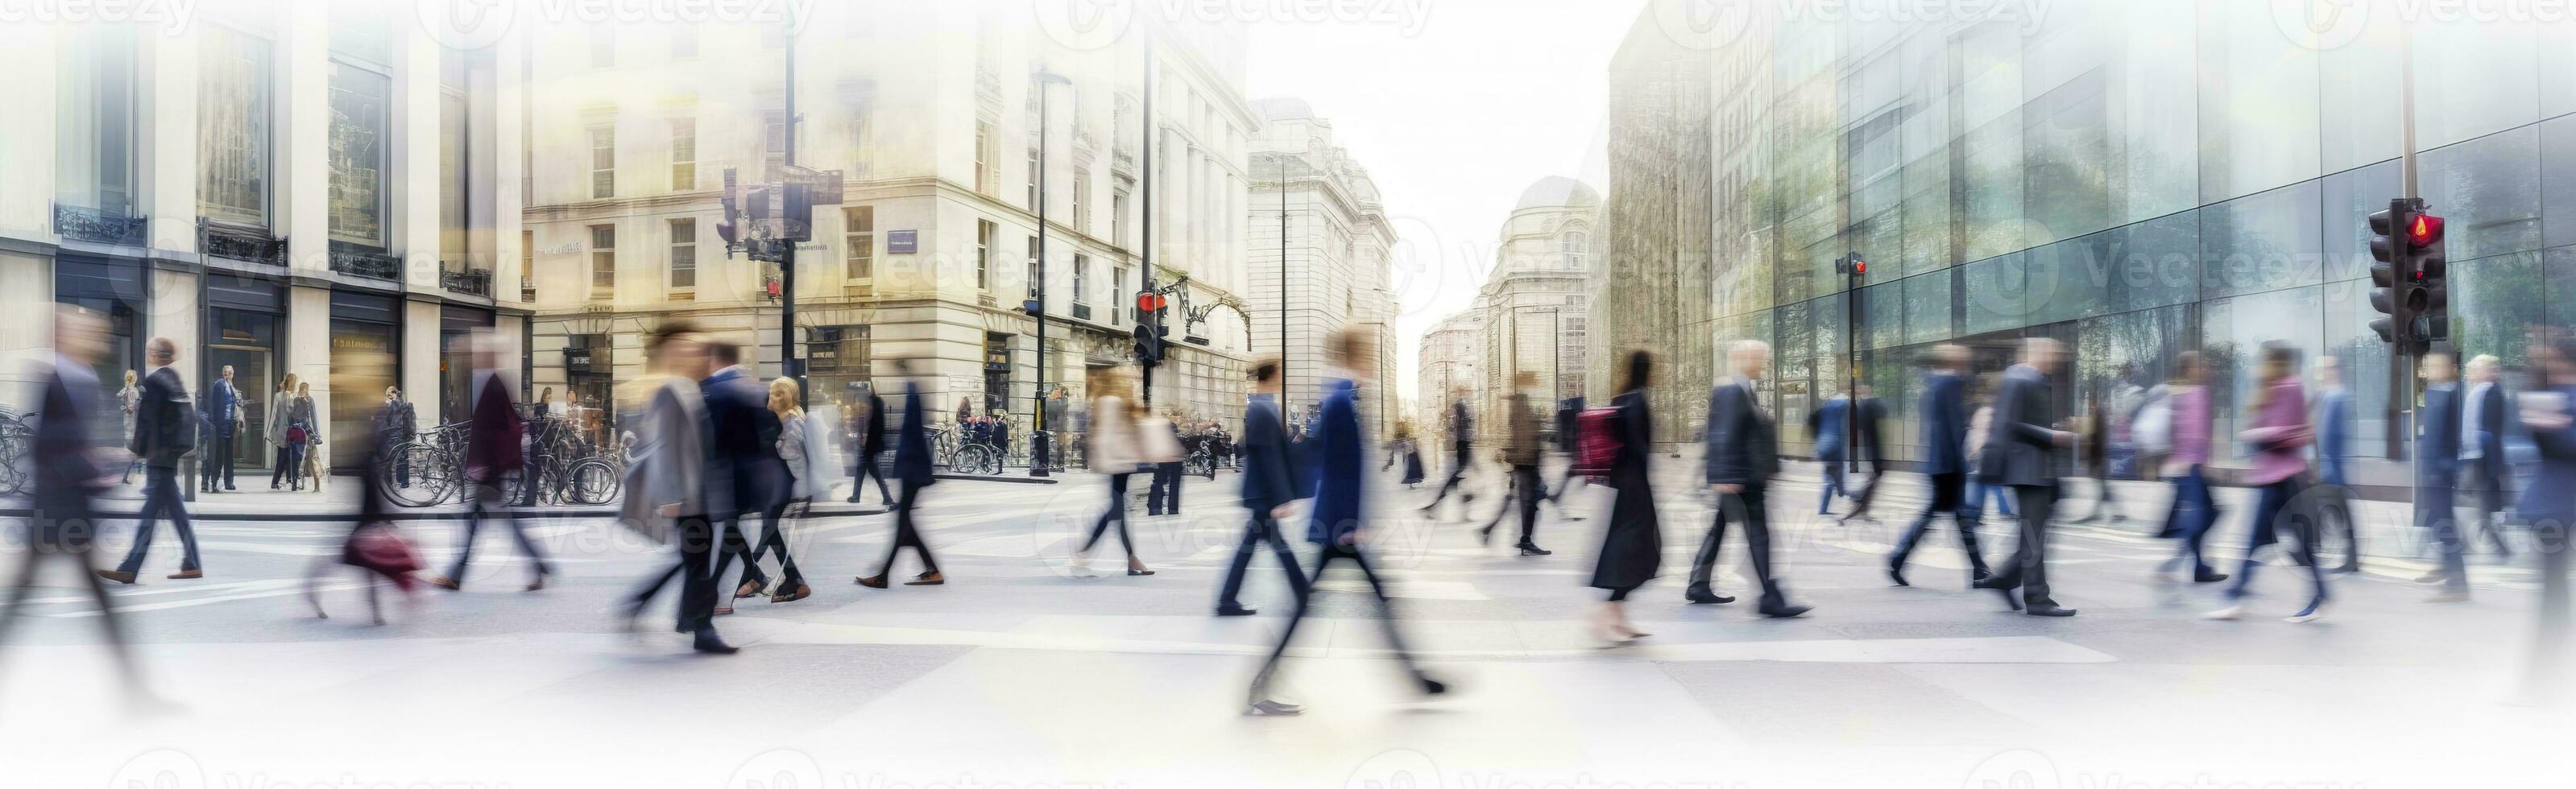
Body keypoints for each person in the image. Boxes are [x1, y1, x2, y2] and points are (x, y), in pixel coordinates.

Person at [1248, 328, 1445, 715]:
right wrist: (1351, 520)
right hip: (1338, 525)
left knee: (1343, 601)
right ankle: (1415, 680)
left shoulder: (1344, 397)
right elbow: (1336, 468)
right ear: (1354, 355)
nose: (1372, 360)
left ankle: (1416, 680)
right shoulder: (1340, 401)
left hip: (1337, 523)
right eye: (1367, 352)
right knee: (1348, 602)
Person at [0, 308, 152, 704]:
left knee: (69, 602)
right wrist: (96, 463)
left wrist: (95, 459)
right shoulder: (55, 378)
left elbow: (68, 445)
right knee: (28, 600)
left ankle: (135, 691)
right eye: (86, 331)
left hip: (70, 512)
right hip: (55, 513)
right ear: (63, 336)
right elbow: (47, 449)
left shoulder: (82, 378)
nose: (98, 338)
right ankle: (136, 692)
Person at [626, 320, 738, 654]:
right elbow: (665, 447)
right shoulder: (668, 391)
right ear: (671, 352)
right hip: (685, 497)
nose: (695, 353)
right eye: (687, 347)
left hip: (698, 492)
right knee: (697, 563)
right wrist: (671, 495)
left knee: (693, 562)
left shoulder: (688, 386)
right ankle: (702, 628)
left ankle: (647, 605)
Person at [424, 333, 553, 593]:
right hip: (492, 468)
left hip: (490, 470)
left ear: (490, 356)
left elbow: (493, 429)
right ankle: (537, 565)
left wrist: (484, 464)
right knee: (491, 521)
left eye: (480, 354)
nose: (475, 357)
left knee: (479, 521)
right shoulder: (490, 382)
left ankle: (457, 575)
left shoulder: (493, 383)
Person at [1688, 341, 1809, 618]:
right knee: (1759, 535)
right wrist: (1726, 475)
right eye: (1759, 358)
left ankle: (1698, 584)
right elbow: (1723, 434)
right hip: (1740, 478)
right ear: (1743, 359)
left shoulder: (1741, 388)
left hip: (1742, 476)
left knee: (1719, 529)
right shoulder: (1732, 389)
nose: (1763, 364)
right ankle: (1770, 596)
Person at [2209, 345, 2327, 624]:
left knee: (2299, 545)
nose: (2258, 368)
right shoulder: (2269, 389)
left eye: (2264, 362)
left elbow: (2286, 433)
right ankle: (2237, 596)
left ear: (2277, 363)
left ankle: (2317, 595)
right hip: (2269, 479)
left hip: (2287, 479)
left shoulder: (2291, 386)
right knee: (2257, 542)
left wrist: (2253, 433)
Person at [1972, 338, 2079, 617]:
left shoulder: (2029, 378)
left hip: (2037, 467)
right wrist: (2052, 435)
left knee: (2034, 534)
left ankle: (2007, 579)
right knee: (2034, 536)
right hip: (2028, 469)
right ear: (2036, 353)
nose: (2056, 356)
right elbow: (2009, 422)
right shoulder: (2020, 377)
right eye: (2051, 352)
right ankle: (2037, 598)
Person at [101, 337, 202, 584]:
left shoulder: (155, 381)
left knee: (149, 515)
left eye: (150, 350)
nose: (148, 353)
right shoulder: (174, 379)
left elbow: (147, 420)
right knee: (175, 513)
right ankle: (192, 562)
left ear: (159, 354)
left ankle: (130, 568)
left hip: (159, 456)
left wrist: (135, 450)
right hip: (169, 456)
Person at [1888, 345, 1990, 588]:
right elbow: (1955, 427)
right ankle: (1978, 569)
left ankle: (1978, 569)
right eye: (1964, 359)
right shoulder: (1952, 383)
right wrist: (1963, 461)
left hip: (1937, 461)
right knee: (1954, 515)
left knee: (1954, 515)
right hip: (1949, 463)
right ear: (1953, 361)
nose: (1967, 362)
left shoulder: (1930, 383)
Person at [1216, 358, 1309, 617]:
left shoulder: (1262, 409)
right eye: (1279, 376)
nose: (1281, 381)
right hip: (1264, 494)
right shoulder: (1261, 410)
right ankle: (1300, 591)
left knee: (1267, 546)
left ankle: (1228, 599)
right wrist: (1282, 497)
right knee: (1272, 547)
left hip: (1262, 494)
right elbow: (1269, 459)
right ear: (1268, 378)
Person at [2512, 333, 2576, 702]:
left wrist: (2550, 427)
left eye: (2549, 358)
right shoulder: (2551, 395)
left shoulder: (2565, 397)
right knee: (2554, 595)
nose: (2543, 365)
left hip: (2560, 510)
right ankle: (2541, 681)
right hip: (2551, 510)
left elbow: (2564, 446)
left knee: (2553, 597)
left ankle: (2540, 683)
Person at [698, 343, 781, 615]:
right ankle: (753, 574)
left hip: (729, 477)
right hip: (754, 477)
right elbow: (771, 429)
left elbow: (713, 441)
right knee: (731, 531)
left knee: (722, 535)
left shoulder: (720, 390)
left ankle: (708, 595)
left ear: (717, 359)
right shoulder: (751, 387)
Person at [1591, 351, 1667, 642]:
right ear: (1646, 370)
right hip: (1637, 489)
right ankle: (1607, 610)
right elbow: (1638, 447)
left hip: (1625, 486)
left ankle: (1619, 616)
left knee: (1634, 552)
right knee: (1641, 553)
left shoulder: (1623, 397)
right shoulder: (1637, 400)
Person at [858, 361, 946, 589]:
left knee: (902, 525)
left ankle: (883, 576)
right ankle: (932, 570)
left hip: (912, 470)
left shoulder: (913, 398)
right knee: (906, 527)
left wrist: (907, 372)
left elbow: (913, 434)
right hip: (912, 469)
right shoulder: (912, 399)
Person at [735, 377, 813, 604]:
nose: (775, 397)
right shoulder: (778, 418)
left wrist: (772, 442)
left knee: (769, 528)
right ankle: (790, 580)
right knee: (770, 530)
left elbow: (792, 453)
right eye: (773, 393)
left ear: (790, 396)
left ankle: (755, 576)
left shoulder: (793, 420)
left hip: (786, 483)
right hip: (774, 482)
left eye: (781, 394)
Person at [2153, 352, 2226, 585]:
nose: (2207, 368)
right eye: (2202, 365)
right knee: (2205, 515)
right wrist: (2205, 464)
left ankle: (2194, 566)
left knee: (2207, 514)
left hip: (2180, 467)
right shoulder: (2197, 393)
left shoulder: (2176, 393)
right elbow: (2197, 433)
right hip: (2191, 466)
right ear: (2190, 370)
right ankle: (2189, 566)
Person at [1075, 368, 1153, 576]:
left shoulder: (1105, 401)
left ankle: (1131, 559)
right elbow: (1110, 435)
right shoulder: (1111, 402)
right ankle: (1083, 554)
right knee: (1115, 511)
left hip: (1118, 462)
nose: (1129, 382)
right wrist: (1127, 455)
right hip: (1118, 463)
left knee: (1119, 511)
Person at [2417, 352, 2471, 600]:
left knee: (2445, 527)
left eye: (2434, 365)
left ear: (2448, 368)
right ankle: (2448, 567)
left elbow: (2445, 438)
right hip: (2434, 471)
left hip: (2439, 473)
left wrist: (2439, 471)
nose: (2428, 369)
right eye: (2428, 365)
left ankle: (2457, 584)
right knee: (2439, 525)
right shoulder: (2437, 391)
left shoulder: (2448, 393)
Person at [1480, 371, 1551, 556]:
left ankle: (1490, 529)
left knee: (1522, 501)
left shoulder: (1521, 402)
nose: (1536, 384)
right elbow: (1522, 435)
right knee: (1530, 502)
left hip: (1525, 461)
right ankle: (1525, 540)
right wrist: (1525, 458)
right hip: (1526, 462)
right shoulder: (1520, 403)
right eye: (1533, 381)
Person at [2462, 354, 2515, 558]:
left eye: (2475, 369)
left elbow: (2490, 431)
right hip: (2473, 455)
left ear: (2486, 370)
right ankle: (2479, 536)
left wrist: (2490, 462)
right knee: (2474, 500)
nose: (2471, 374)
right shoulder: (2477, 392)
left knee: (2480, 502)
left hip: (2481, 457)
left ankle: (2496, 545)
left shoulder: (2493, 393)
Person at [2313, 356, 2361, 573]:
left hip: (2334, 467)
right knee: (2332, 511)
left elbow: (2336, 435)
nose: (2321, 373)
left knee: (2338, 512)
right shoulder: (2326, 395)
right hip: (2327, 466)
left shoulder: (2339, 397)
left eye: (2325, 369)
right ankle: (2346, 556)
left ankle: (2350, 559)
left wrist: (2330, 467)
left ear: (2334, 370)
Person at [1418, 388, 1475, 518]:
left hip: (1463, 442)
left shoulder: (1460, 405)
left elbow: (1454, 426)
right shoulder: (1460, 405)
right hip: (1463, 442)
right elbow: (1456, 426)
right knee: (1458, 475)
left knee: (1458, 477)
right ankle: (1436, 506)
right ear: (1461, 392)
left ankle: (1437, 507)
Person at [846, 382, 893, 506]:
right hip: (869, 445)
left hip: (868, 445)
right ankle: (856, 496)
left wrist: (864, 439)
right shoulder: (876, 402)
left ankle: (887, 497)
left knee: (873, 472)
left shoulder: (870, 404)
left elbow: (870, 426)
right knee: (861, 470)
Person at [204, 365, 241, 493]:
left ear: (233, 374)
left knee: (229, 456)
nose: (227, 375)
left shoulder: (232, 388)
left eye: (229, 373)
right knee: (219, 455)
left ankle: (229, 481)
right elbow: (213, 405)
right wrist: (214, 423)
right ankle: (214, 482)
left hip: (230, 425)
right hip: (221, 426)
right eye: (225, 373)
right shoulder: (219, 385)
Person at [379, 386, 418, 486]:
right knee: (402, 459)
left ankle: (389, 481)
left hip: (395, 435)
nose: (389, 397)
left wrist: (388, 404)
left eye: (389, 394)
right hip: (402, 436)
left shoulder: (395, 404)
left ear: (394, 393)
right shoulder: (404, 404)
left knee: (389, 458)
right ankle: (404, 482)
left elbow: (388, 420)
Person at [1147, 413, 1183, 516]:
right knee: (1174, 485)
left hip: (1162, 458)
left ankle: (1155, 507)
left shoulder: (1159, 435)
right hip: (1175, 459)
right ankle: (1172, 508)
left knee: (1158, 482)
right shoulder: (1174, 432)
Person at [269, 374, 300, 490]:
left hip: (290, 431)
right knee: (283, 457)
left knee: (287, 457)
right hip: (284, 431)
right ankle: (278, 481)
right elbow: (277, 414)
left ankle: (287, 480)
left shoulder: (294, 396)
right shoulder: (282, 396)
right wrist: (269, 432)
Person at [289, 382, 320, 492]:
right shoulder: (296, 400)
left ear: (307, 390)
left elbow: (313, 417)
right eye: (301, 388)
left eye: (304, 389)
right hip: (299, 432)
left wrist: (317, 434)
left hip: (305, 431)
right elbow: (293, 416)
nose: (302, 390)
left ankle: (312, 484)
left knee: (308, 458)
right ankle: (295, 482)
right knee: (297, 457)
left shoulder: (309, 400)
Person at [117, 369, 141, 485]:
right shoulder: (134, 392)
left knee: (131, 454)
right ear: (135, 379)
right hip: (133, 428)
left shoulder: (124, 391)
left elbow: (120, 396)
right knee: (133, 454)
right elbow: (131, 409)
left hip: (127, 427)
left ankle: (124, 477)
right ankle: (124, 476)